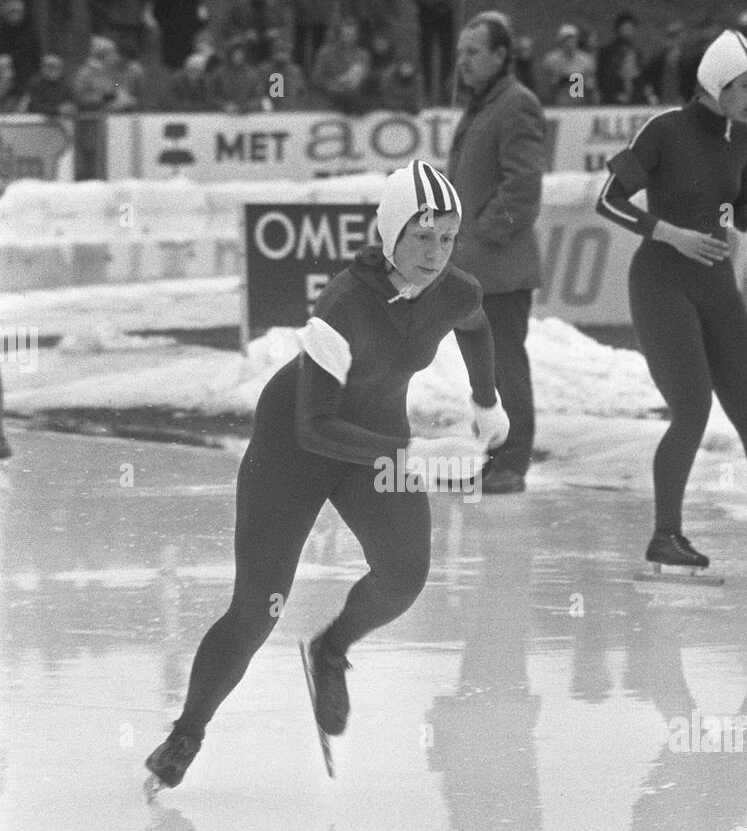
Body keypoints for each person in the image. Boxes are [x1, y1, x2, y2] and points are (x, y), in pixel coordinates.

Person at [143, 159, 509, 791]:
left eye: (447, 238)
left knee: (405, 574)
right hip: (297, 444)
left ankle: (331, 648)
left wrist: (486, 399)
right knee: (258, 607)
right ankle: (186, 734)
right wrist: (412, 458)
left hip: (375, 442)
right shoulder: (343, 304)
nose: (435, 252)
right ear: (393, 233)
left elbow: (475, 325)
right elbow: (316, 427)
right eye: (422, 236)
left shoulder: (456, 289)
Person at [595, 28, 747, 571]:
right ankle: (665, 535)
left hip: (714, 285)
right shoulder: (665, 131)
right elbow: (607, 201)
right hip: (662, 284)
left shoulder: (743, 139)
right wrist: (669, 233)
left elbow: (741, 207)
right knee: (692, 409)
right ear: (716, 82)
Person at [447, 11, 547, 493]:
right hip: (474, 270)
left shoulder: (516, 105)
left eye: (473, 52)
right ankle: (496, 454)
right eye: (461, 51)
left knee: (505, 363)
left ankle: (512, 461)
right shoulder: (483, 105)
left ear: (501, 55)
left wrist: (481, 234)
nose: (462, 61)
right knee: (484, 370)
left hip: (501, 271)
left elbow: (524, 186)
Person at [310, 17, 371, 112]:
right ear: (340, 35)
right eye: (346, 34)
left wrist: (359, 79)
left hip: (355, 102)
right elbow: (316, 78)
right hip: (329, 101)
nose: (349, 38)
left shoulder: (362, 55)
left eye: (352, 35)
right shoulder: (325, 53)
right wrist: (335, 83)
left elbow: (366, 79)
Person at [538, 23, 598, 106]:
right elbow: (544, 85)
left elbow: (591, 85)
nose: (570, 43)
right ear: (560, 41)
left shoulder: (586, 60)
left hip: (581, 102)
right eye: (566, 40)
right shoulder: (550, 60)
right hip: (557, 101)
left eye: (572, 39)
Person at [641, 19, 698, 104]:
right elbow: (646, 82)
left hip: (682, 105)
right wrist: (652, 97)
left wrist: (686, 99)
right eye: (671, 36)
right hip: (659, 105)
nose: (675, 40)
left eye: (678, 35)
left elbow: (693, 86)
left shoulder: (690, 62)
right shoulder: (656, 62)